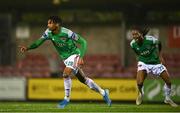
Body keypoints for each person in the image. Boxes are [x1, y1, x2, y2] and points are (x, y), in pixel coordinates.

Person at [19, 16, 111, 108]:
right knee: (84, 80)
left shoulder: (67, 32)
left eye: (50, 23)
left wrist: (81, 57)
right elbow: (38, 42)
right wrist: (28, 48)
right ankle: (103, 92)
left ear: (57, 24)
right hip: (65, 59)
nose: (48, 25)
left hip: (74, 54)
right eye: (48, 23)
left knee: (65, 74)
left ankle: (66, 99)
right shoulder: (48, 33)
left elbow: (83, 42)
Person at [130, 26, 178, 107]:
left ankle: (167, 98)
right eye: (133, 35)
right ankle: (141, 93)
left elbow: (159, 43)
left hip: (156, 63)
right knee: (140, 82)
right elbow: (137, 52)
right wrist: (140, 59)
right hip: (144, 62)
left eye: (136, 34)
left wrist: (160, 56)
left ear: (141, 34)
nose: (134, 36)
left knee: (169, 82)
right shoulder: (132, 44)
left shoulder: (150, 39)